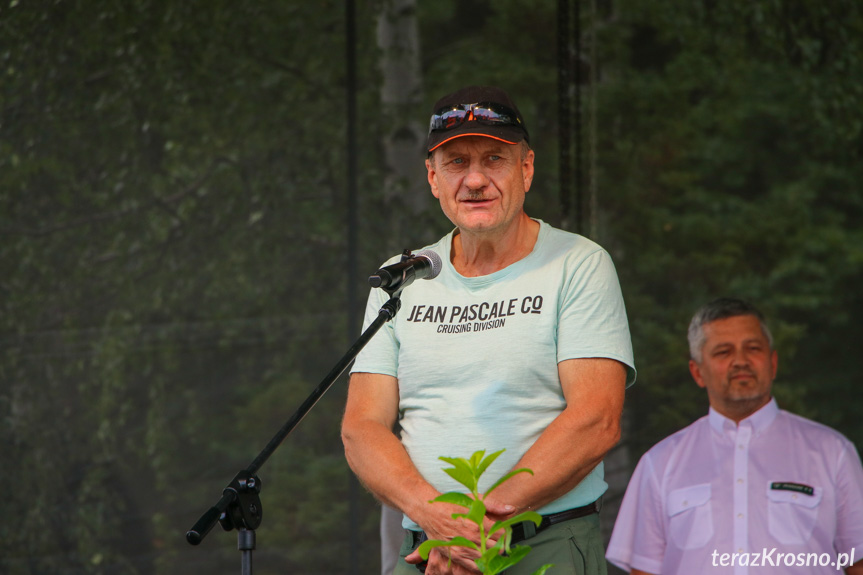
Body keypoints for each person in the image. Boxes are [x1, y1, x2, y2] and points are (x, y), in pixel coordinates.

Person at [341, 85, 636, 575]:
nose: (475, 179)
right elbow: (361, 429)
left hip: (543, 543)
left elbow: (596, 419)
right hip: (425, 550)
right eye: (456, 162)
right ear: (432, 178)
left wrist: (475, 525)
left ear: (526, 168)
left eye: (494, 159)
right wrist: (433, 516)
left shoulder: (578, 264)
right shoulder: (401, 277)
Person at [606, 298, 863, 575]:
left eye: (752, 348)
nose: (740, 361)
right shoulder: (659, 463)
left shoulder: (833, 452)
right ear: (697, 372)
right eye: (723, 352)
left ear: (773, 362)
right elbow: (644, 570)